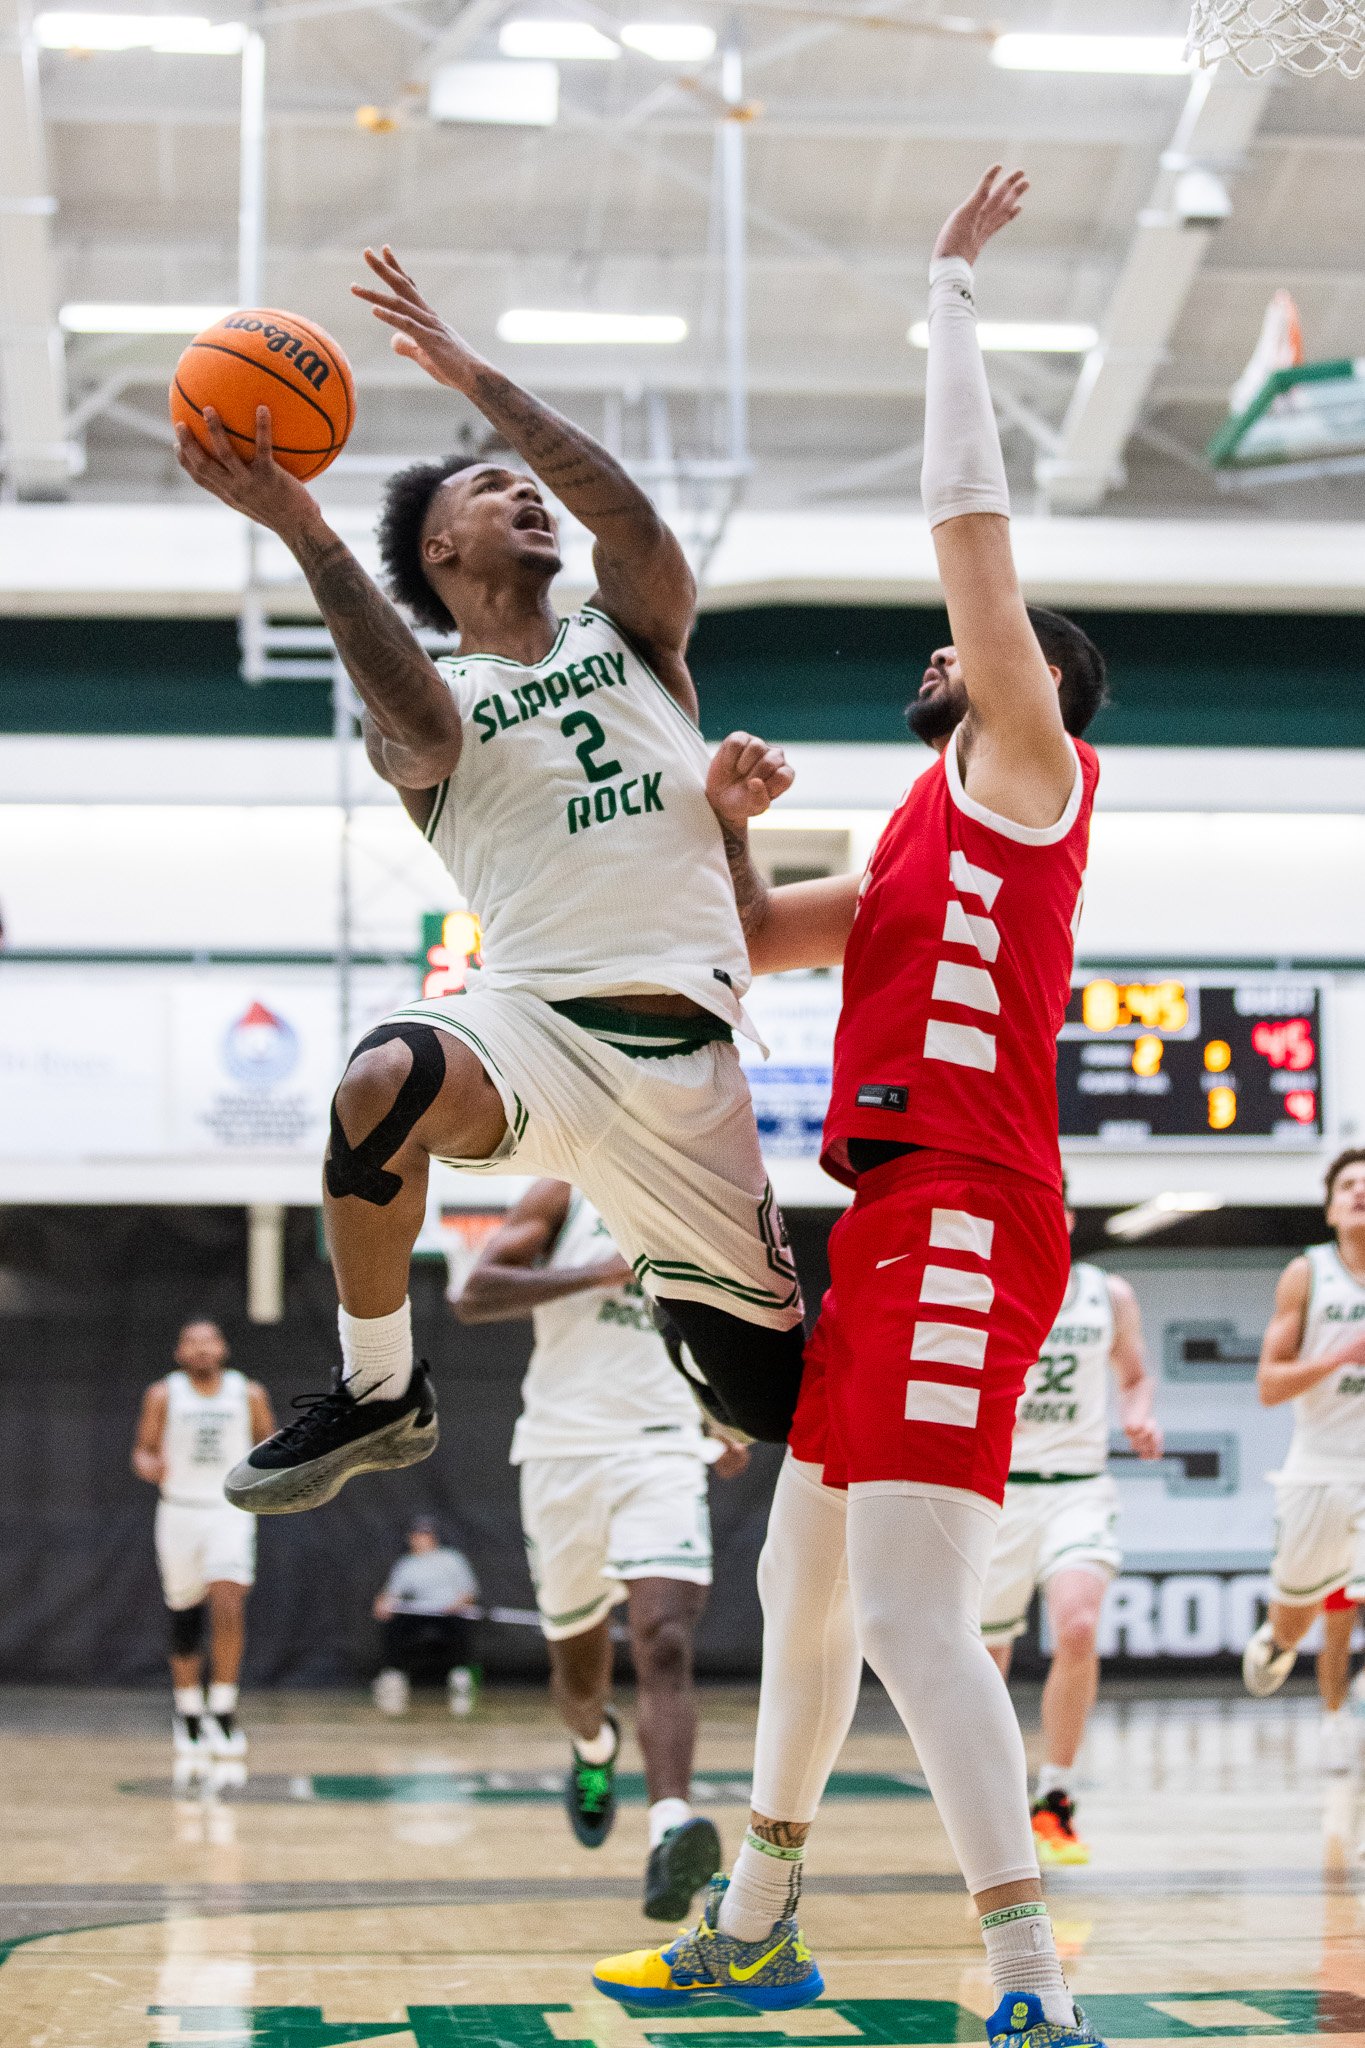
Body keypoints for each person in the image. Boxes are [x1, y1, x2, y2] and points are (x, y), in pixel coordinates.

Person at [592, 166, 1111, 2048]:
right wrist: (724, 823)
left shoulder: (1031, 769)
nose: (968, 645)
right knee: (802, 1577)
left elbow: (971, 529)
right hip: (891, 1215)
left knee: (902, 1606)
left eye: (999, 640)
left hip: (970, 1204)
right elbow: (754, 937)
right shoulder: (915, 837)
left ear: (1040, 685)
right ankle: (758, 1913)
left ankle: (1029, 1974)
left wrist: (948, 291)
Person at [173, 245, 802, 1520]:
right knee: (379, 1080)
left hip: (686, 1074)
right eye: (493, 489)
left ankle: (693, 1330)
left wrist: (480, 380)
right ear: (442, 544)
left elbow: (632, 523)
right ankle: (379, 1384)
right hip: (533, 1031)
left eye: (531, 484)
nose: (530, 496)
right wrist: (302, 523)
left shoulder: (631, 635)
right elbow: (412, 712)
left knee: (773, 1406)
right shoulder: (425, 705)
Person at [454, 1179, 748, 1921]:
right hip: (562, 1454)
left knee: (665, 1639)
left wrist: (722, 1412)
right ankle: (593, 1749)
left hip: (661, 1452)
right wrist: (605, 1269)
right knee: (579, 1682)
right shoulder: (565, 1194)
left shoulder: (707, 1197)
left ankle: (669, 1829)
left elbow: (722, 1327)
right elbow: (474, 1291)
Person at [980, 1203, 1162, 1865]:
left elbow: (1134, 1376)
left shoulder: (1105, 1293)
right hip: (997, 1489)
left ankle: (1055, 1798)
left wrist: (1139, 1417)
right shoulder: (984, 1279)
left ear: (1064, 1211)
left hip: (1079, 1486)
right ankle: (991, 1802)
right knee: (983, 1659)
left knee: (1078, 1625)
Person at [1242, 1147, 1365, 1776]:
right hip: (1318, 1471)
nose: (1360, 1192)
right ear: (1329, 1205)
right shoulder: (1308, 1275)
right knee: (1301, 1617)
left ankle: (1345, 1717)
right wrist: (1341, 1357)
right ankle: (1279, 1640)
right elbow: (1268, 1385)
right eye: (1348, 1184)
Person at [131, 1320, 275, 1762]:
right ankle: (189, 1711)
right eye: (191, 1342)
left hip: (228, 1510)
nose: (201, 1349)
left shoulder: (247, 1393)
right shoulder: (164, 1393)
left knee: (228, 1598)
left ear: (223, 1348)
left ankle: (224, 1709)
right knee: (184, 1613)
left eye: (208, 1340)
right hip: (179, 1511)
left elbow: (270, 1446)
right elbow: (143, 1450)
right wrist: (149, 1466)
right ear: (179, 1352)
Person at [372, 1515, 481, 1717]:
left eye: (426, 1534)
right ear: (411, 1538)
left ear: (434, 1537)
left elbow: (469, 1593)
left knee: (460, 1629)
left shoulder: (452, 1558)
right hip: (419, 1613)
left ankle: (461, 1686)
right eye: (418, 1535)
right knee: (393, 1626)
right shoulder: (405, 1564)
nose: (422, 1539)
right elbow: (391, 1594)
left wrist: (455, 1606)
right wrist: (382, 1603)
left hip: (450, 1613)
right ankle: (393, 1680)